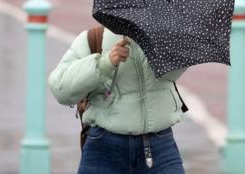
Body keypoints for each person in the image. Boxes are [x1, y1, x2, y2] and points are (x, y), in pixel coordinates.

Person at [49, 27, 188, 174]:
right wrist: (105, 63)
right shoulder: (94, 38)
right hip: (104, 147)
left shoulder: (166, 37)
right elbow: (60, 89)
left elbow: (169, 77)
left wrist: (178, 53)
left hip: (160, 146)